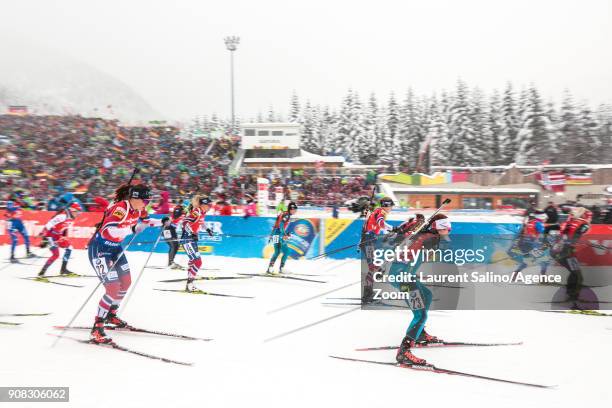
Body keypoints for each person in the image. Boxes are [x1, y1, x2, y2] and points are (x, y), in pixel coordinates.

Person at [88, 183, 167, 344]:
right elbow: (106, 230)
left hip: (116, 248)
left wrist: (161, 221)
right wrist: (131, 230)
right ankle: (97, 329)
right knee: (113, 287)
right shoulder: (121, 208)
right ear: (135, 198)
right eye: (146, 201)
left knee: (126, 282)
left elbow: (145, 221)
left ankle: (111, 314)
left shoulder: (139, 208)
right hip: (100, 249)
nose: (147, 204)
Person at [390, 213, 451, 365]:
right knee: (421, 315)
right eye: (446, 226)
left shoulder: (426, 236)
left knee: (427, 295)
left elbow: (410, 253)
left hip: (404, 275)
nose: (449, 229)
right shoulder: (428, 238)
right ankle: (403, 352)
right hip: (403, 278)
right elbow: (411, 252)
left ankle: (420, 333)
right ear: (438, 227)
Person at [546, 207, 591, 300]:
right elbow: (573, 237)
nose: (590, 219)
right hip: (567, 252)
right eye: (590, 217)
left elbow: (562, 234)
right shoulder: (584, 224)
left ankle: (570, 293)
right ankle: (573, 296)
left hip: (556, 251)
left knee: (574, 272)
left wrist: (571, 241)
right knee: (578, 275)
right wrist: (572, 241)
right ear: (585, 216)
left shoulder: (569, 221)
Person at [361, 197, 395, 302]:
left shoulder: (376, 211)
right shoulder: (381, 212)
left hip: (368, 241)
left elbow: (369, 227)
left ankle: (368, 292)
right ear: (387, 205)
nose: (392, 208)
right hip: (368, 242)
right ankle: (367, 295)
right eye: (391, 206)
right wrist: (392, 228)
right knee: (372, 267)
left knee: (373, 267)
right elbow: (381, 224)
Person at [38, 202, 83, 276]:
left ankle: (63, 269)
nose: (78, 215)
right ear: (73, 210)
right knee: (56, 255)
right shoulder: (63, 216)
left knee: (69, 248)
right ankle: (42, 272)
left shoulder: (71, 218)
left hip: (58, 236)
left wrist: (64, 236)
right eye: (78, 213)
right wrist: (43, 233)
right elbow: (50, 223)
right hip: (50, 236)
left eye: (79, 213)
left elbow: (65, 228)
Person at [180, 195, 213, 292]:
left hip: (192, 239)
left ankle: (190, 279)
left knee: (193, 261)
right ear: (203, 205)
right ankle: (190, 284)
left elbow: (201, 222)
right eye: (208, 205)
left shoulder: (202, 212)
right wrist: (192, 233)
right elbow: (185, 222)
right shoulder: (197, 211)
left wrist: (207, 230)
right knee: (198, 262)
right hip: (187, 239)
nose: (210, 206)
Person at [508, 213, 549, 281]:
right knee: (544, 260)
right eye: (545, 219)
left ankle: (515, 274)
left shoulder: (530, 222)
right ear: (542, 218)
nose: (545, 220)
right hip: (530, 244)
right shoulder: (539, 223)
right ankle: (543, 279)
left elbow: (522, 233)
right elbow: (543, 234)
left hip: (523, 243)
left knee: (527, 261)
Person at [266, 201, 298, 275]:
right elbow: (281, 225)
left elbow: (277, 224)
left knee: (277, 252)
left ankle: (270, 268)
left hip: (275, 234)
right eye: (295, 209)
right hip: (279, 234)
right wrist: (284, 234)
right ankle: (282, 268)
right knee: (286, 251)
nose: (296, 211)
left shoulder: (284, 213)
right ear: (291, 209)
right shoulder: (287, 215)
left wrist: (272, 235)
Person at [5, 194, 33, 262]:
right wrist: (19, 205)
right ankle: (12, 256)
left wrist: (28, 205)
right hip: (12, 224)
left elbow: (26, 205)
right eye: (19, 197)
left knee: (26, 236)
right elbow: (9, 209)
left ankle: (28, 252)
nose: (19, 199)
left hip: (19, 222)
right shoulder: (10, 203)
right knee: (15, 240)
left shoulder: (18, 204)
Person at [164, 200, 184, 269]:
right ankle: (170, 262)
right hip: (168, 229)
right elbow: (175, 216)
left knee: (176, 245)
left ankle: (171, 262)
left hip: (172, 230)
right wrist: (181, 211)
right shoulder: (178, 209)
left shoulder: (183, 213)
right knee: (173, 245)